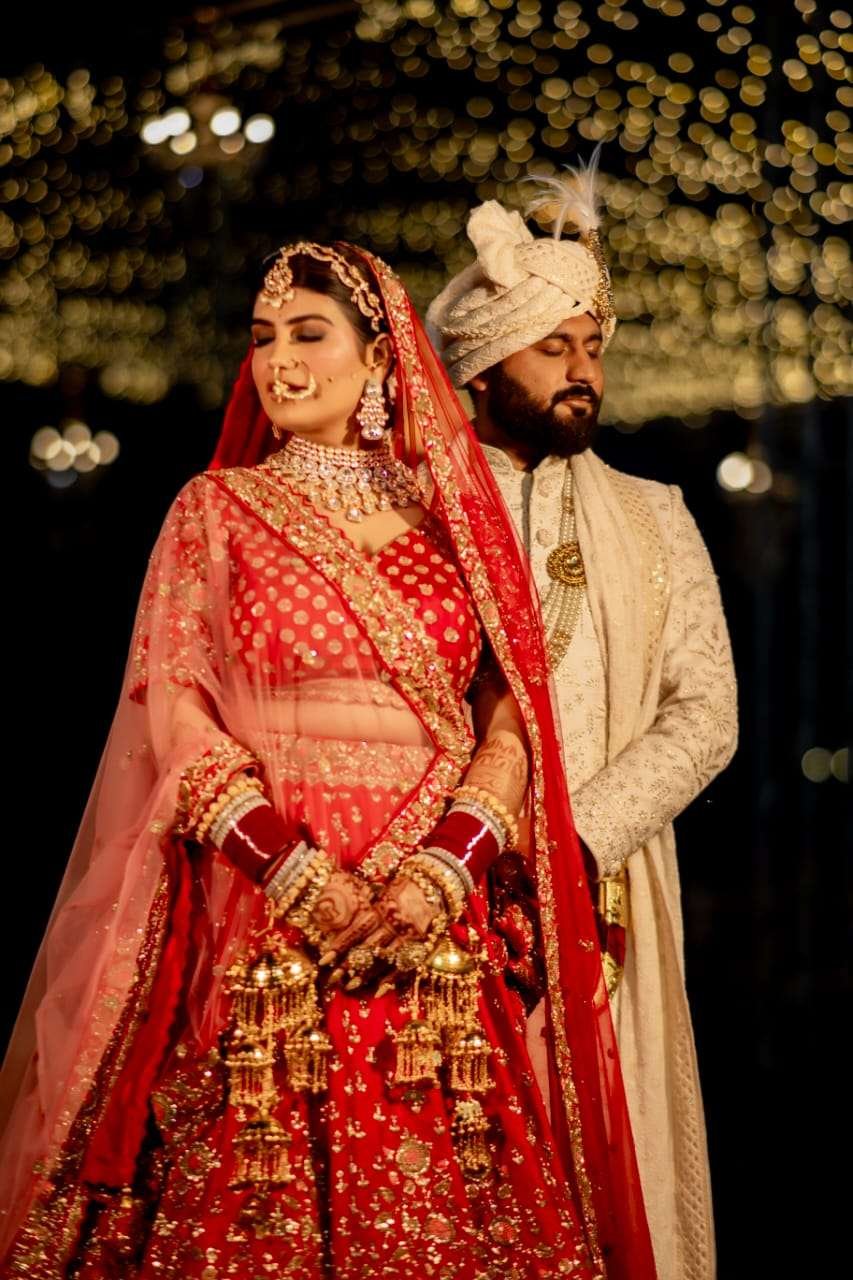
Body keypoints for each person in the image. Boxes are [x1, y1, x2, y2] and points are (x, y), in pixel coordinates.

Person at [0, 242, 657, 1279]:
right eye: (263, 339)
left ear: (382, 358)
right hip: (266, 908)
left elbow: (510, 715)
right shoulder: (215, 510)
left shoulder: (456, 522)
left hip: (431, 916)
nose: (279, 362)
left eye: (309, 335)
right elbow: (175, 707)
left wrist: (444, 868)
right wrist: (291, 872)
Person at [427, 160, 738, 1280]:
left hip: (597, 899)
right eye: (553, 347)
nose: (582, 373)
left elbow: (706, 714)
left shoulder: (655, 516)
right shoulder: (413, 513)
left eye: (592, 348)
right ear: (481, 365)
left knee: (608, 1179)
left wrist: (568, 840)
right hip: (429, 895)